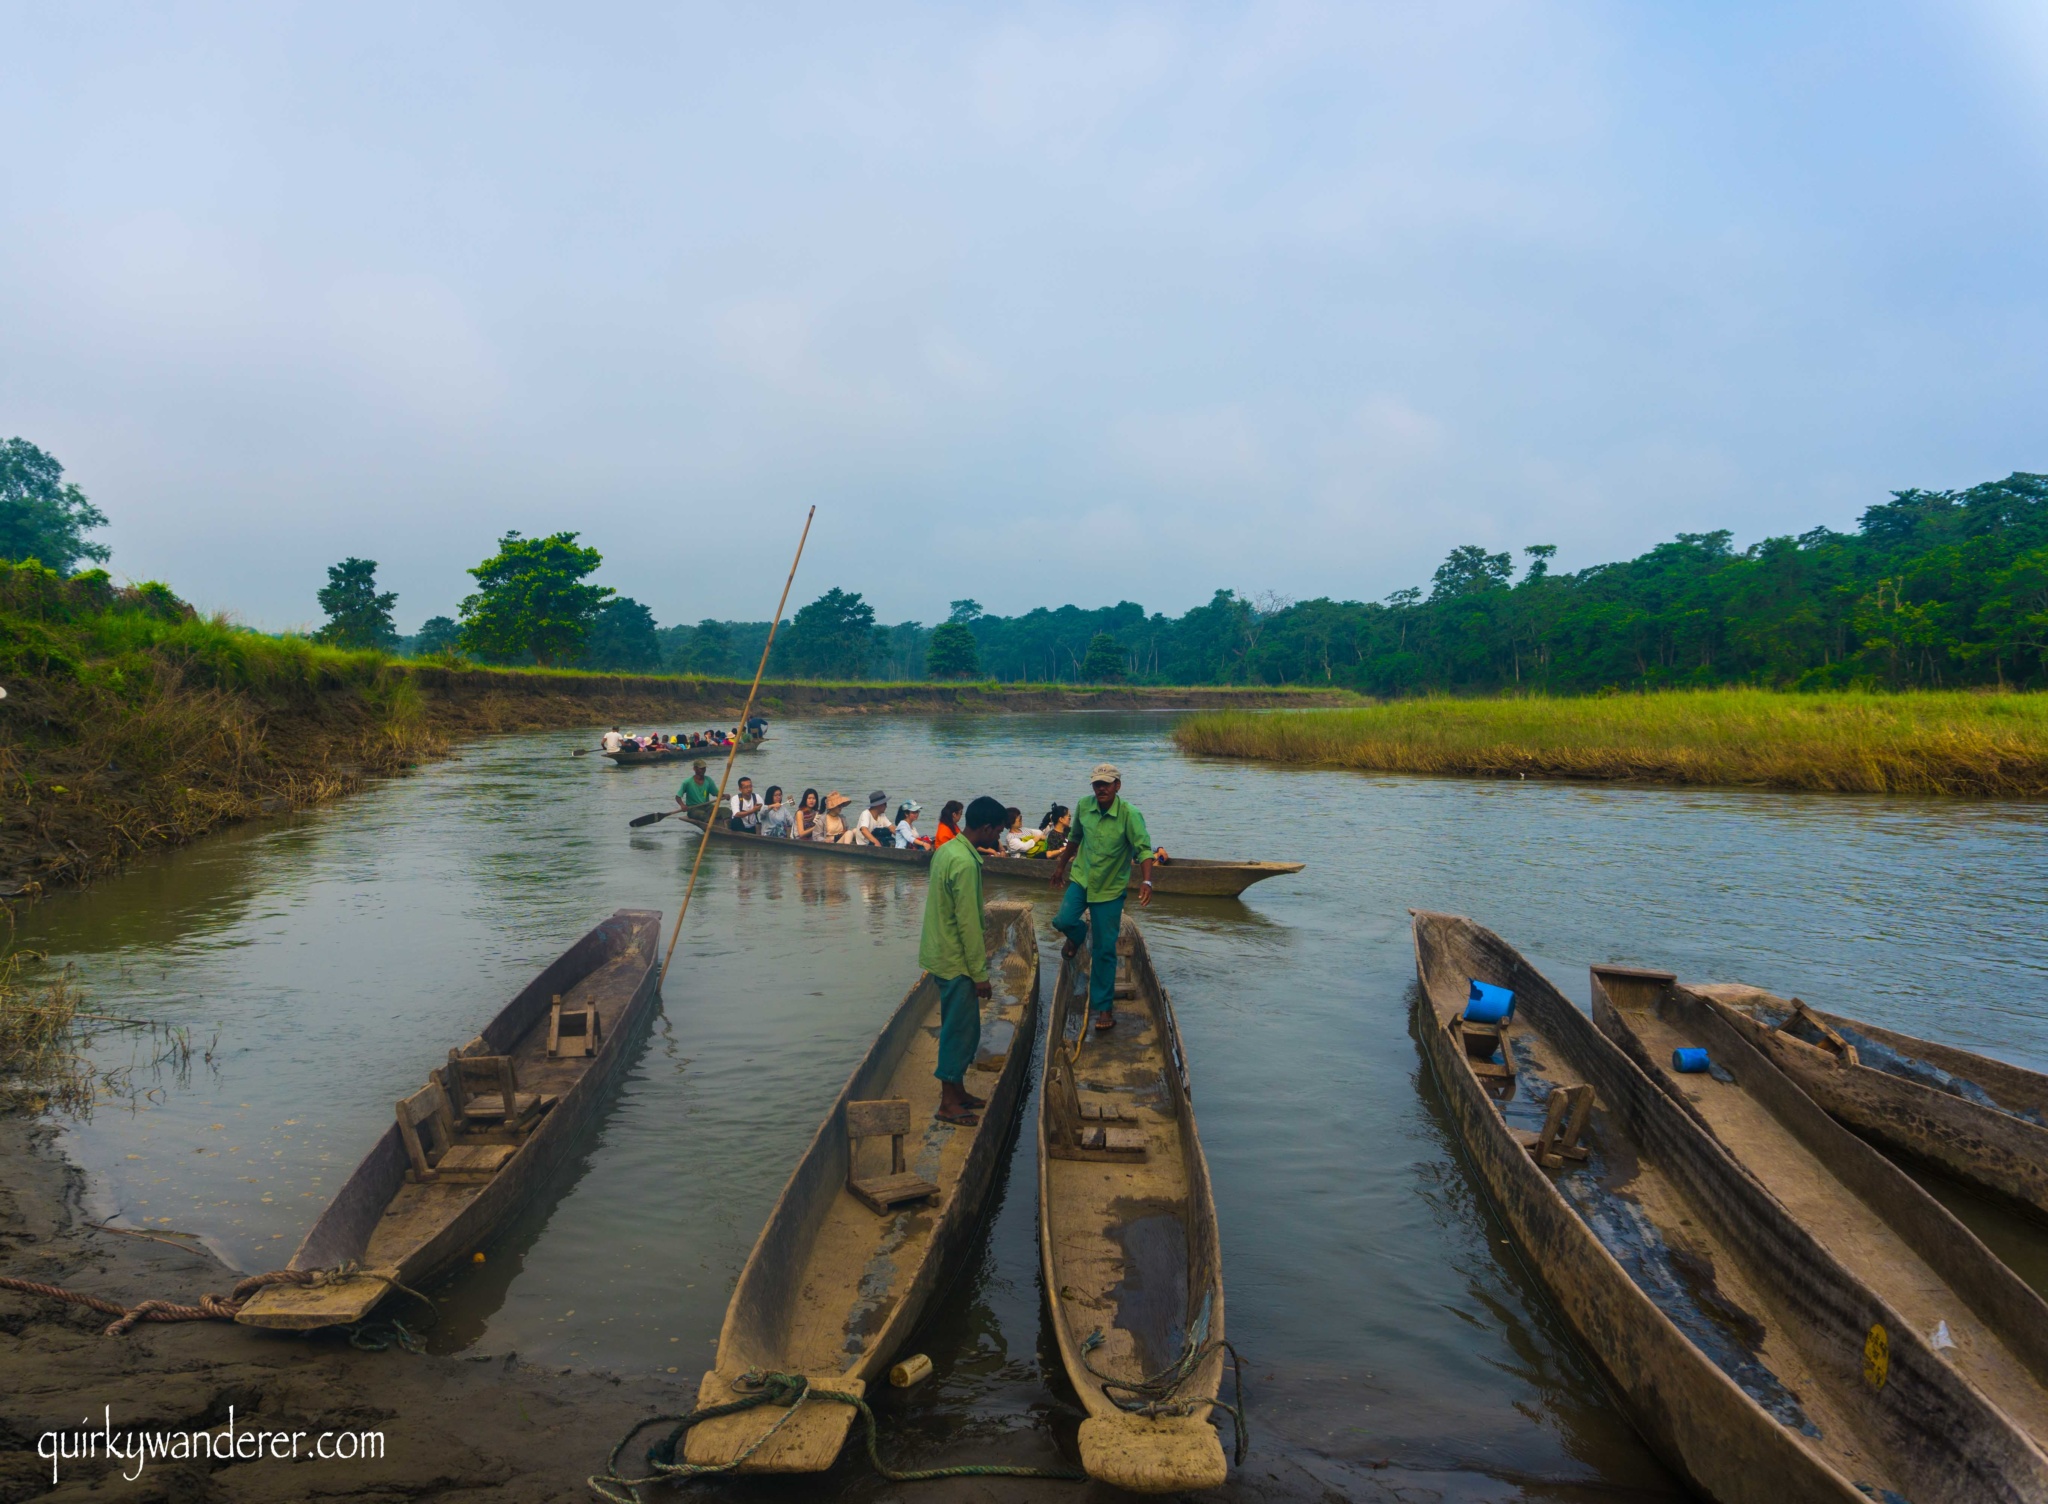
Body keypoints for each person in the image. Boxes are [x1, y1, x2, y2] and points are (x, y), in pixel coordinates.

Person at [917, 795, 1009, 1126]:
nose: (998, 837)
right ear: (985, 828)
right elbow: (969, 924)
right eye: (997, 831)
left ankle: (958, 1092)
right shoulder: (966, 864)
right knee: (961, 1031)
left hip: (938, 951)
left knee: (960, 1026)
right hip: (956, 959)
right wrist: (980, 974)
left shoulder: (947, 850)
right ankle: (947, 1103)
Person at [1049, 764, 1156, 1033]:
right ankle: (1077, 933)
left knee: (1105, 950)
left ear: (1117, 786)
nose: (1101, 789)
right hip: (1082, 879)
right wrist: (1060, 867)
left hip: (1109, 889)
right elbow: (1074, 839)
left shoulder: (1130, 814)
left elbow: (1143, 850)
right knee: (1062, 920)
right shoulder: (1085, 806)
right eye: (1097, 784)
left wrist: (1146, 880)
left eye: (1106, 784)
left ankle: (1104, 1006)